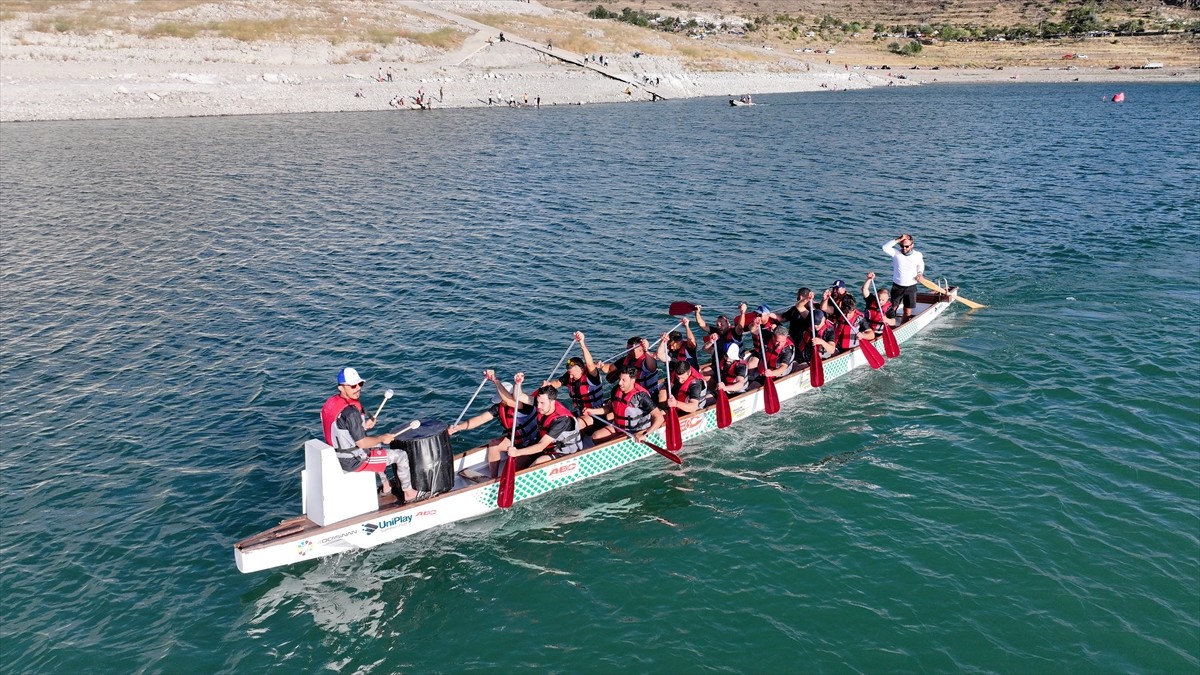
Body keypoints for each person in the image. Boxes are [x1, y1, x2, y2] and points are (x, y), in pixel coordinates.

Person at [320, 367, 427, 503]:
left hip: (338, 454)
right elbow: (362, 443)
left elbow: (341, 430)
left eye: (360, 384)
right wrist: (382, 437)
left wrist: (363, 425)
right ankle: (409, 493)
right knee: (400, 455)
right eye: (353, 386)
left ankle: (386, 487)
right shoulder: (351, 413)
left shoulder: (331, 404)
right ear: (341, 388)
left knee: (377, 444)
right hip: (354, 461)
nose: (358, 388)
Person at [447, 369, 539, 478]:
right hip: (516, 443)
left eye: (502, 399)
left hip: (532, 446)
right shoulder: (499, 408)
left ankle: (505, 479)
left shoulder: (524, 405)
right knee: (494, 444)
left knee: (512, 470)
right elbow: (480, 419)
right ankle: (493, 478)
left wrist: (495, 380)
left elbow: (509, 401)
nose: (501, 402)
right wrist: (457, 428)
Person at [503, 374, 585, 469]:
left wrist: (517, 452)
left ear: (553, 401)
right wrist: (518, 383)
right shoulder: (543, 404)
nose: (538, 406)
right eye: (538, 402)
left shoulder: (562, 420)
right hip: (548, 448)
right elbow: (520, 397)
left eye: (542, 403)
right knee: (518, 461)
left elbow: (541, 446)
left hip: (565, 453)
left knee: (538, 462)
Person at [585, 366, 664, 444]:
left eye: (623, 380)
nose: (620, 383)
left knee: (612, 442)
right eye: (619, 379)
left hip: (637, 431)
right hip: (619, 427)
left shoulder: (641, 396)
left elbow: (659, 417)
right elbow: (609, 408)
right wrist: (592, 411)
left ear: (632, 381)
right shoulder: (616, 390)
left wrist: (645, 435)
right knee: (596, 436)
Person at [545, 331, 606, 418]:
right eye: (569, 373)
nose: (570, 376)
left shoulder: (591, 376)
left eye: (573, 374)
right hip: (580, 412)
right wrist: (548, 384)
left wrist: (582, 343)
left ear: (581, 370)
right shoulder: (569, 375)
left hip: (595, 414)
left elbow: (590, 364)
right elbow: (557, 383)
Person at [601, 336, 662, 403]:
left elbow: (651, 367)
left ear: (640, 349)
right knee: (615, 390)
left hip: (647, 397)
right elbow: (609, 368)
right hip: (631, 393)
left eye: (631, 350)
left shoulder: (646, 362)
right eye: (627, 349)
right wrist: (601, 366)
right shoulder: (627, 359)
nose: (628, 352)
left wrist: (646, 350)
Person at [883, 233, 925, 325]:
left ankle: (902, 326)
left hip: (911, 287)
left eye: (906, 246)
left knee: (907, 312)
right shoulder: (895, 253)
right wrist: (898, 239)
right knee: (892, 308)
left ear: (912, 245)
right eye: (902, 246)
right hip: (897, 286)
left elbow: (920, 265)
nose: (904, 248)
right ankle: (888, 326)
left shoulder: (917, 255)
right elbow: (885, 247)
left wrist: (920, 274)